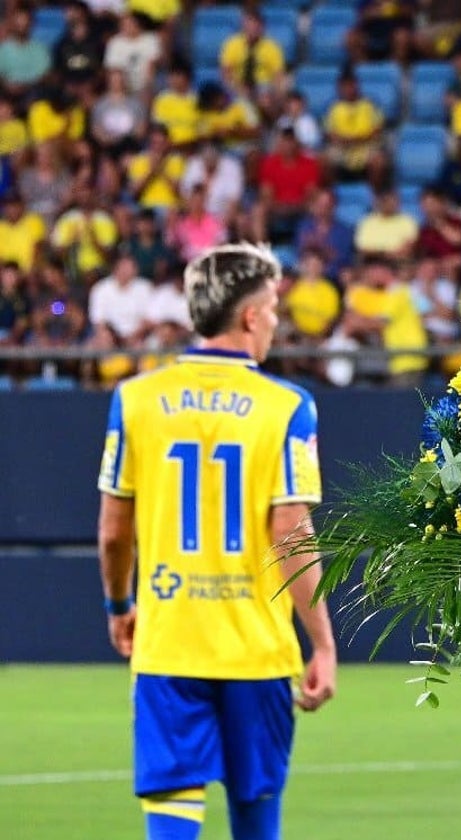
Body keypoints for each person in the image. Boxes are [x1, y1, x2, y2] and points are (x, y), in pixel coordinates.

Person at [96, 242, 337, 840]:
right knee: (256, 812)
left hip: (169, 640)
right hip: (255, 647)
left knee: (172, 810)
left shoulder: (135, 399)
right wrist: (323, 643)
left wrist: (119, 606)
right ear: (251, 316)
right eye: (275, 308)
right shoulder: (288, 407)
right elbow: (291, 530)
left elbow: (112, 530)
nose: (276, 321)